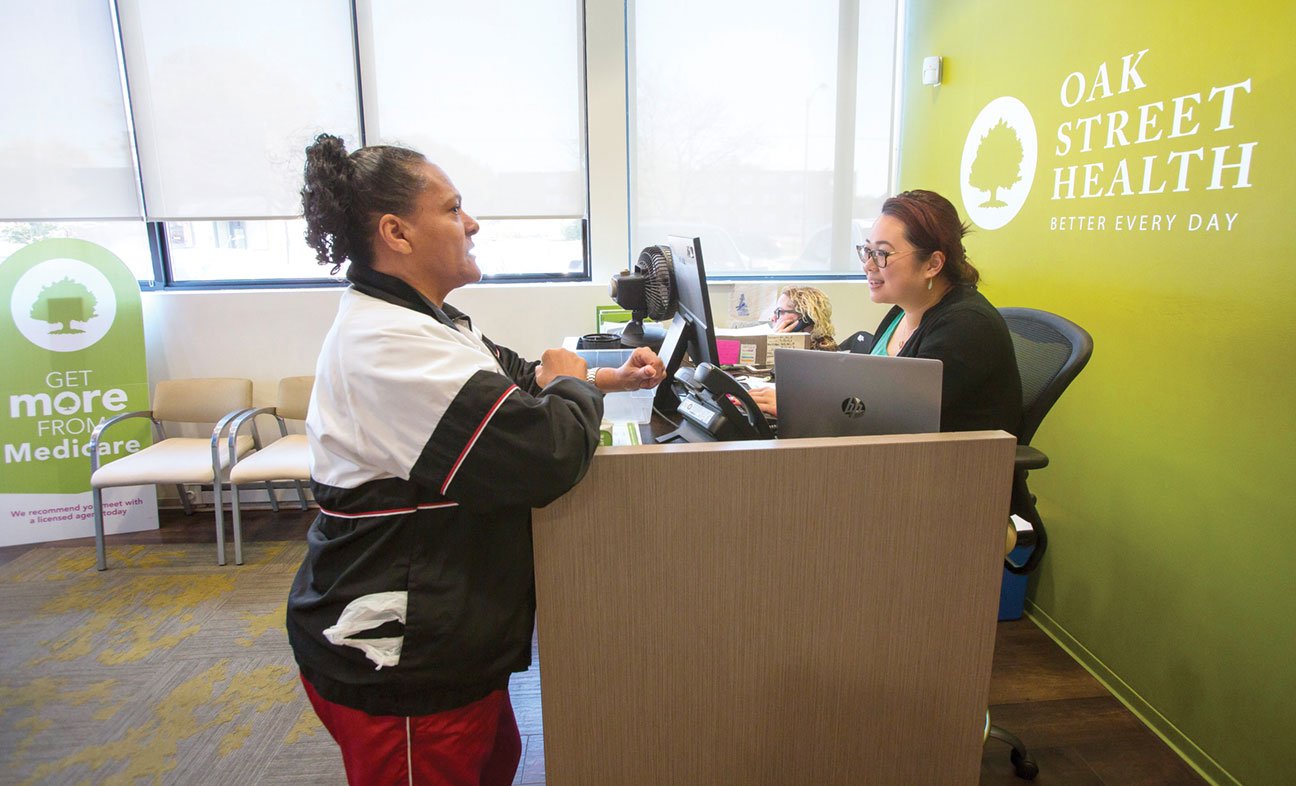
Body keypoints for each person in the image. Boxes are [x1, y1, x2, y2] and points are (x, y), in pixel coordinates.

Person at [287, 133, 664, 786]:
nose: (472, 223)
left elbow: (513, 379)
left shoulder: (426, 320)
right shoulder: (389, 343)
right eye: (452, 208)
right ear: (396, 233)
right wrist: (570, 382)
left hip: (453, 632)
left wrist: (602, 379)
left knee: (497, 761)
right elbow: (544, 455)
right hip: (403, 654)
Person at [748, 189, 1020, 434]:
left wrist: (800, 404)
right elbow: (871, 397)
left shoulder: (966, 327)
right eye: (867, 250)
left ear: (933, 264)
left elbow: (896, 418)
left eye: (881, 254)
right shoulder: (901, 311)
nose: (868, 265)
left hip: (946, 468)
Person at [769, 285, 838, 351]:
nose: (773, 318)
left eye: (779, 312)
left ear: (806, 318)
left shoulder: (821, 353)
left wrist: (774, 343)